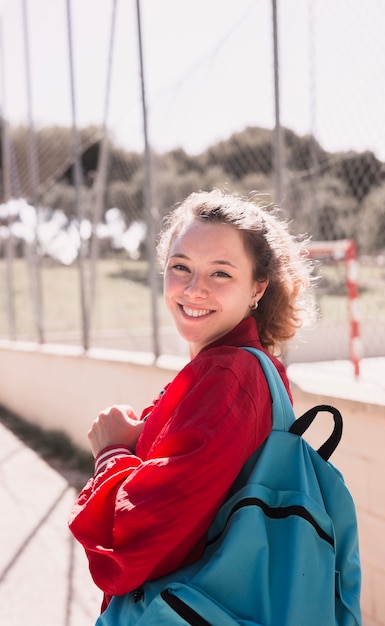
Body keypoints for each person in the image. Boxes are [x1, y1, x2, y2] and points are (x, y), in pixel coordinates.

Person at [68, 188, 314, 616]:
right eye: (180, 267)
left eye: (221, 273)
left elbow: (130, 550)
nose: (194, 289)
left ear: (258, 288)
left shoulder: (228, 377)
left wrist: (110, 452)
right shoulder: (248, 368)